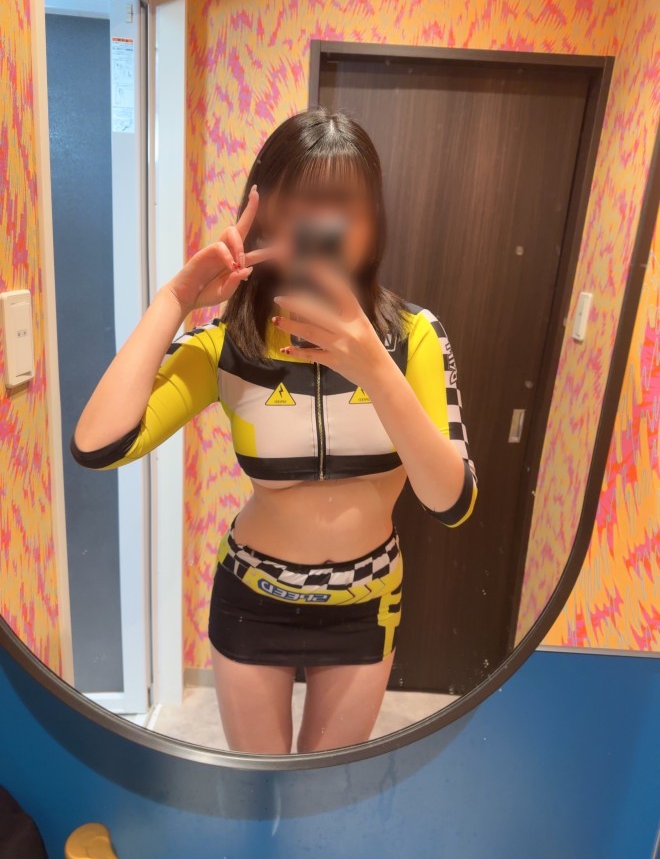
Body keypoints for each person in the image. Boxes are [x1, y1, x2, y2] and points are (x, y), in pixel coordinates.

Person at [72, 109, 477, 755]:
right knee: (260, 792)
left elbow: (451, 501)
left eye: (343, 209)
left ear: (374, 222)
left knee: (323, 793)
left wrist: (374, 365)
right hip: (252, 595)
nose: (320, 228)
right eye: (298, 208)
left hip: (367, 600)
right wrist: (174, 299)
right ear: (263, 219)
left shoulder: (415, 337)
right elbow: (98, 445)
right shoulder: (228, 344)